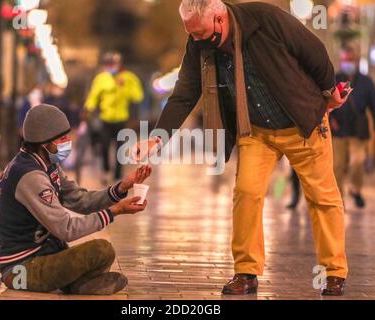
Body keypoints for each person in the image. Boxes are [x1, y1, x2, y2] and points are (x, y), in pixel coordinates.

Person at [137, 0, 352, 296]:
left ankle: (334, 273)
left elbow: (313, 52)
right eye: (192, 35)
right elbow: (185, 92)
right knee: (247, 193)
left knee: (322, 197)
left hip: (303, 125)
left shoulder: (265, 18)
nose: (198, 41)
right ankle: (246, 272)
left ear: (220, 17)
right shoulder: (200, 42)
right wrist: (157, 137)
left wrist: (329, 93)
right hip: (256, 131)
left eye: (201, 33)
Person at [0, 104, 152, 295]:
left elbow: (81, 200)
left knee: (101, 255)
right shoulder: (31, 175)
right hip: (20, 269)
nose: (68, 141)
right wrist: (115, 211)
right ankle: (76, 285)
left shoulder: (46, 164)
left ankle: (77, 284)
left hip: (46, 254)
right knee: (101, 251)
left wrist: (121, 187)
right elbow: (66, 229)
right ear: (44, 142)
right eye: (61, 138)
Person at [330, 44, 375, 209]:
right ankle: (340, 200)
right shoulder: (334, 78)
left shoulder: (366, 82)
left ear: (357, 60)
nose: (348, 63)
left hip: (358, 131)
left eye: (351, 60)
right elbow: (325, 101)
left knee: (357, 163)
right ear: (341, 60)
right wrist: (330, 118)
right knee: (338, 166)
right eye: (345, 60)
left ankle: (356, 189)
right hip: (338, 130)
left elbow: (374, 105)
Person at [84, 51, 144, 183]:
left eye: (113, 64)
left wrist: (124, 87)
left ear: (119, 64)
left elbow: (138, 96)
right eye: (108, 64)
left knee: (120, 148)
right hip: (105, 119)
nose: (110, 67)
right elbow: (94, 96)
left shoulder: (129, 78)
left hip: (121, 119)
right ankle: (105, 170)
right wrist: (88, 108)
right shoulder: (101, 78)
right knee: (104, 146)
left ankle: (117, 175)